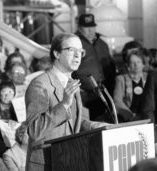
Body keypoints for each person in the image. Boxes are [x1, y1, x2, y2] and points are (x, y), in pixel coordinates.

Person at [25, 33, 109, 171]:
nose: (78, 56)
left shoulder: (72, 84)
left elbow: (76, 122)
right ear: (57, 53)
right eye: (71, 50)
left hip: (69, 160)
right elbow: (35, 130)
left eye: (81, 52)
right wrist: (63, 104)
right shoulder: (39, 85)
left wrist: (100, 126)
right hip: (48, 164)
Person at [74, 13, 116, 121]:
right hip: (85, 95)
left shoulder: (103, 44)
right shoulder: (74, 43)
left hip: (104, 92)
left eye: (92, 27)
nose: (90, 30)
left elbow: (111, 67)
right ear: (79, 28)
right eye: (86, 27)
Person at [113, 50, 147, 122]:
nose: (136, 65)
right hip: (128, 119)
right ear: (128, 65)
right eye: (132, 63)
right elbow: (117, 101)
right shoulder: (121, 79)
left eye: (138, 62)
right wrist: (130, 116)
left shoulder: (149, 78)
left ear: (143, 64)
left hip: (147, 117)